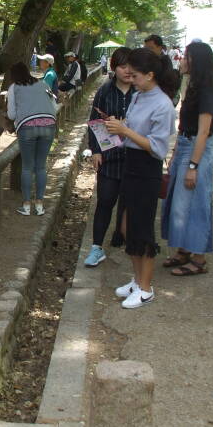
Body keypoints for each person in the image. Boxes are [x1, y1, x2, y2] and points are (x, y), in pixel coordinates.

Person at [104, 48, 177, 309]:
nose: (130, 79)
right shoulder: (138, 96)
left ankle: (146, 288)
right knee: (126, 227)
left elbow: (157, 148)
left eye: (135, 75)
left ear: (150, 75)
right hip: (131, 167)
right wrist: (118, 126)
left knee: (142, 229)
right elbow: (133, 130)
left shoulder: (162, 104)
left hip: (147, 170)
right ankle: (137, 280)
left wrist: (125, 130)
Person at [161, 41, 213, 276]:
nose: (181, 60)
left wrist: (193, 166)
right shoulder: (192, 86)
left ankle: (199, 258)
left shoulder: (206, 90)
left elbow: (204, 131)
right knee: (177, 203)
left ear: (197, 62)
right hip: (185, 145)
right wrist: (176, 153)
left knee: (194, 204)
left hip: (197, 148)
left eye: (186, 56)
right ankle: (184, 249)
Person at [84, 47, 134, 267]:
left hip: (135, 156)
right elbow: (94, 122)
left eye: (131, 66)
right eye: (123, 66)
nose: (128, 71)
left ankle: (127, 241)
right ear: (114, 67)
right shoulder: (105, 91)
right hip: (109, 156)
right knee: (105, 201)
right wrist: (95, 150)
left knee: (130, 202)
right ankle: (96, 248)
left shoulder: (141, 93)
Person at [6, 61, 58, 216]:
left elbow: (11, 115)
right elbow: (54, 106)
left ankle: (27, 205)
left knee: (27, 167)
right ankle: (40, 205)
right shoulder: (43, 85)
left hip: (27, 127)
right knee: (41, 166)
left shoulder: (14, 88)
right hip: (49, 125)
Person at [144, 34, 179, 105]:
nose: (147, 51)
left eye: (151, 48)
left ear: (159, 48)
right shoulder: (148, 61)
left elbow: (166, 83)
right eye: (146, 48)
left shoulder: (165, 61)